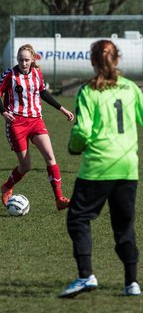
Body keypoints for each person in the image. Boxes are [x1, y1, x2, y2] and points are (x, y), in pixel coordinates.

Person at [59, 39, 143, 298]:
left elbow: (82, 132)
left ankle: (86, 276)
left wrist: (74, 147)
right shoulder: (131, 89)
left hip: (98, 167)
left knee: (78, 218)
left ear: (93, 61)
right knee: (124, 225)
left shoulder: (88, 91)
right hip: (127, 168)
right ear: (117, 59)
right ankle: (131, 283)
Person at [0, 43, 74, 211]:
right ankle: (7, 186)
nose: (23, 63)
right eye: (21, 60)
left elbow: (43, 93)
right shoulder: (10, 75)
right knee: (26, 166)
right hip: (16, 123)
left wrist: (63, 109)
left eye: (27, 60)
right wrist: (3, 112)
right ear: (17, 59)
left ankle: (59, 199)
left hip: (36, 121)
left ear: (32, 59)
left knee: (50, 157)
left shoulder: (37, 74)